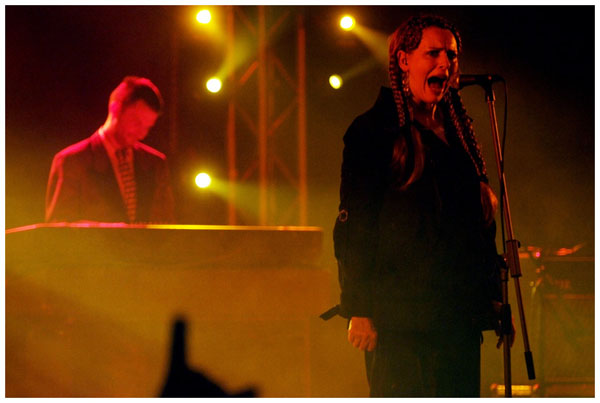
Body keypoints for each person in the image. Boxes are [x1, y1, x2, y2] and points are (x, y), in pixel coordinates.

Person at [333, 15, 513, 397]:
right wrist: (359, 307)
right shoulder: (373, 132)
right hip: (399, 320)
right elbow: (355, 227)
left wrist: (493, 297)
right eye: (433, 53)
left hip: (457, 317)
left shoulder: (459, 136)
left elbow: (478, 228)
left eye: (452, 55)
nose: (445, 63)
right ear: (403, 60)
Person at [45, 76, 175, 223]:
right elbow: (60, 226)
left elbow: (166, 225)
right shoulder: (72, 161)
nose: (142, 134)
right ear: (115, 109)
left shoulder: (156, 163)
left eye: (148, 127)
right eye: (136, 122)